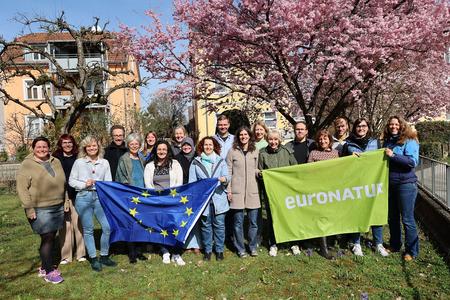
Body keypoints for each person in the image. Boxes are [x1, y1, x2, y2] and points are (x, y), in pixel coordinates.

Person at [16, 136, 66, 284]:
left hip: (57, 205)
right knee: (48, 238)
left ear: (49, 147)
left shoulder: (55, 161)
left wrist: (67, 200)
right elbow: (22, 189)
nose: (42, 149)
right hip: (39, 208)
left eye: (44, 146)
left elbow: (63, 182)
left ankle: (44, 267)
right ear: (33, 148)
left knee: (50, 237)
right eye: (39, 147)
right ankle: (50, 272)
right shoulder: (27, 165)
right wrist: (29, 208)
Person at [69, 136, 116, 272]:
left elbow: (108, 182)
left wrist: (103, 186)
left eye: (94, 145)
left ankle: (104, 256)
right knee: (88, 229)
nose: (91, 148)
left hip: (100, 197)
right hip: (84, 197)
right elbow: (71, 181)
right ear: (85, 148)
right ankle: (94, 258)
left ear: (98, 147)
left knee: (107, 227)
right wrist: (84, 184)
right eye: (88, 146)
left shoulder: (104, 162)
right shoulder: (79, 162)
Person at [344, 117, 389, 257]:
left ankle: (379, 243)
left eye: (364, 126)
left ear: (368, 128)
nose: (361, 128)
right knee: (357, 212)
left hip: (373, 183)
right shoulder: (348, 144)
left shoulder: (375, 143)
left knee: (375, 212)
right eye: (358, 126)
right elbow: (343, 164)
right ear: (354, 128)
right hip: (356, 184)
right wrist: (348, 157)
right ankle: (356, 243)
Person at [382, 116, 420, 261]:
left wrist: (393, 155)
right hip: (390, 185)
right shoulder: (388, 141)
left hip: (406, 185)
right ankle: (395, 244)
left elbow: (412, 162)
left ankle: (412, 251)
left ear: (401, 125)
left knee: (407, 219)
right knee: (392, 217)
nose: (393, 126)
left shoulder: (409, 141)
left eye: (396, 124)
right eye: (391, 124)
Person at [144, 140, 186, 266]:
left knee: (174, 226)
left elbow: (179, 183)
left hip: (172, 201)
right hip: (157, 201)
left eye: (164, 149)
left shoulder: (176, 164)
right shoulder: (150, 166)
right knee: (161, 227)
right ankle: (165, 251)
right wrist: (157, 197)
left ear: (168, 151)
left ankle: (176, 253)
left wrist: (171, 196)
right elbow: (148, 185)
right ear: (155, 151)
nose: (161, 152)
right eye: (159, 149)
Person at [189, 137, 230, 261]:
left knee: (219, 225)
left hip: (219, 198)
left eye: (210, 145)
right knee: (205, 226)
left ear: (214, 146)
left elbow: (227, 176)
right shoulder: (196, 162)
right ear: (202, 147)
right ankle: (207, 251)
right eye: (205, 145)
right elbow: (192, 183)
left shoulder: (220, 161)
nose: (208, 147)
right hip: (204, 200)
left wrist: (224, 179)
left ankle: (219, 251)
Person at [258, 130, 297, 257]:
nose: (273, 142)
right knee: (272, 218)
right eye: (270, 139)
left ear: (279, 140)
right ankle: (273, 243)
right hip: (271, 192)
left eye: (275, 139)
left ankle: (293, 242)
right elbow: (259, 170)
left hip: (286, 191)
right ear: (267, 140)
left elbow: (295, 168)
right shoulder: (262, 153)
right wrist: (261, 174)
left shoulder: (287, 151)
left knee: (289, 217)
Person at [226, 126, 260, 258]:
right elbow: (228, 172)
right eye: (241, 135)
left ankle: (252, 246)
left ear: (249, 136)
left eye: (246, 134)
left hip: (253, 191)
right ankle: (240, 248)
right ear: (238, 137)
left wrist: (259, 173)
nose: (243, 137)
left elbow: (258, 168)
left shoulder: (256, 151)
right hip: (237, 192)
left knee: (253, 222)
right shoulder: (232, 151)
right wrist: (228, 190)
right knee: (238, 223)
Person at [53, 134, 86, 265]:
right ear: (61, 144)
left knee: (78, 224)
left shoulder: (79, 157)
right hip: (62, 195)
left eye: (70, 142)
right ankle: (66, 256)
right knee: (65, 226)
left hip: (78, 194)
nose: (67, 145)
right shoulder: (55, 159)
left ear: (74, 144)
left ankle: (81, 253)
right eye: (65, 143)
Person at [116, 133, 148, 264]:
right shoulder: (123, 159)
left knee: (140, 223)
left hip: (142, 195)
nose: (134, 146)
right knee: (130, 224)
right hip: (129, 195)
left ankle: (140, 251)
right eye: (132, 144)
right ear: (128, 145)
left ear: (139, 145)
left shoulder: (142, 158)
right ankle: (132, 252)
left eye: (136, 144)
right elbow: (119, 177)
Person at [307, 130, 340, 259]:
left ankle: (332, 242)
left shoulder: (335, 153)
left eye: (325, 139)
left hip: (332, 190)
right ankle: (323, 248)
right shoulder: (313, 153)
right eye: (320, 139)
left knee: (331, 215)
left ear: (330, 140)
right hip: (318, 190)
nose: (322, 141)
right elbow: (308, 171)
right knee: (321, 218)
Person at [284, 121, 315, 254]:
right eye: (297, 129)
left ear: (307, 131)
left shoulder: (313, 144)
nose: (299, 131)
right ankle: (295, 241)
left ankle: (307, 240)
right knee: (295, 213)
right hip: (293, 183)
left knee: (307, 212)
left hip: (308, 183)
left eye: (302, 129)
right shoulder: (287, 146)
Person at [174, 137, 201, 253]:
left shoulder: (198, 158)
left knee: (196, 218)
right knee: (184, 219)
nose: (186, 147)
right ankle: (186, 244)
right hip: (183, 191)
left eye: (188, 145)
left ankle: (197, 244)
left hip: (196, 191)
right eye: (184, 145)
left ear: (192, 146)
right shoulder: (177, 159)